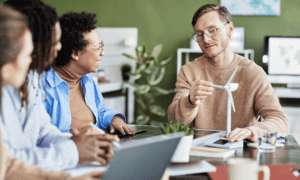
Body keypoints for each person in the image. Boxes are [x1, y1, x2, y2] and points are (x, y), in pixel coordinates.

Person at [2, 0, 119, 171]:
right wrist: (73, 150)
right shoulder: (24, 83)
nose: (59, 47)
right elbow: (10, 164)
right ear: (34, 44)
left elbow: (43, 131)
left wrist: (83, 144)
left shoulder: (32, 78)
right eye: (54, 41)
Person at [168, 4, 290, 142]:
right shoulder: (189, 71)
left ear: (230, 29)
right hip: (201, 151)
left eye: (212, 30)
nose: (206, 39)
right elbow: (175, 121)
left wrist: (252, 131)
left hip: (241, 153)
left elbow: (280, 120)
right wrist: (189, 101)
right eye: (199, 34)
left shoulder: (253, 72)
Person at [40, 11, 135, 135]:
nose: (102, 53)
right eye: (98, 47)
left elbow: (99, 111)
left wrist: (114, 119)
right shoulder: (40, 88)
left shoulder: (87, 81)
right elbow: (41, 136)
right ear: (75, 53)